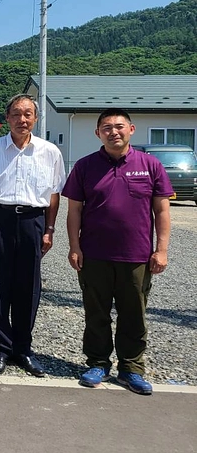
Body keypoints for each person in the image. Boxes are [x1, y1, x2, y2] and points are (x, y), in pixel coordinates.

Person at [62, 109, 172, 395]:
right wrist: (74, 247)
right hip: (94, 254)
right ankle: (97, 362)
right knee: (96, 313)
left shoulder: (150, 165)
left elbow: (161, 209)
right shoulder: (85, 167)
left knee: (133, 313)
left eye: (119, 126)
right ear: (98, 133)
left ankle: (131, 368)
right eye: (107, 127)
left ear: (131, 129)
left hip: (136, 256)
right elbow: (74, 211)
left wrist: (161, 250)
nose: (114, 132)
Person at [0, 94, 65, 376]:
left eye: (28, 114)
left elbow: (54, 195)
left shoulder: (50, 152)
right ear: (7, 118)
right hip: (0, 218)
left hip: (33, 220)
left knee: (28, 287)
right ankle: (0, 347)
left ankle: (22, 348)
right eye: (16, 114)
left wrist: (49, 229)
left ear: (35, 118)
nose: (22, 119)